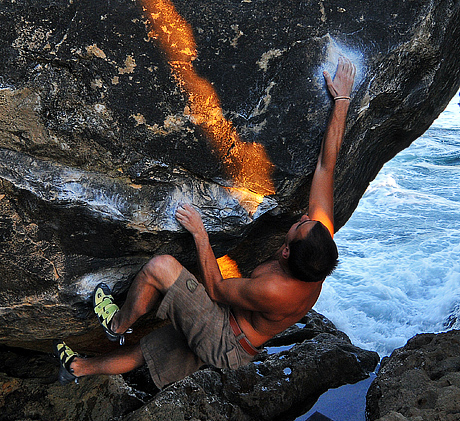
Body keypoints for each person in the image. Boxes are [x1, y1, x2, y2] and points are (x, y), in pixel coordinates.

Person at [54, 56, 356, 387]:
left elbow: (215, 289)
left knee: (161, 267)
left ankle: (116, 325)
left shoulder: (275, 290)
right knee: (149, 350)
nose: (303, 217)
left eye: (299, 225)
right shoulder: (314, 249)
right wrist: (341, 99)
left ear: (286, 252)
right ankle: (77, 369)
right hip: (232, 325)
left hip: (225, 341)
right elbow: (327, 166)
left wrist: (200, 232)